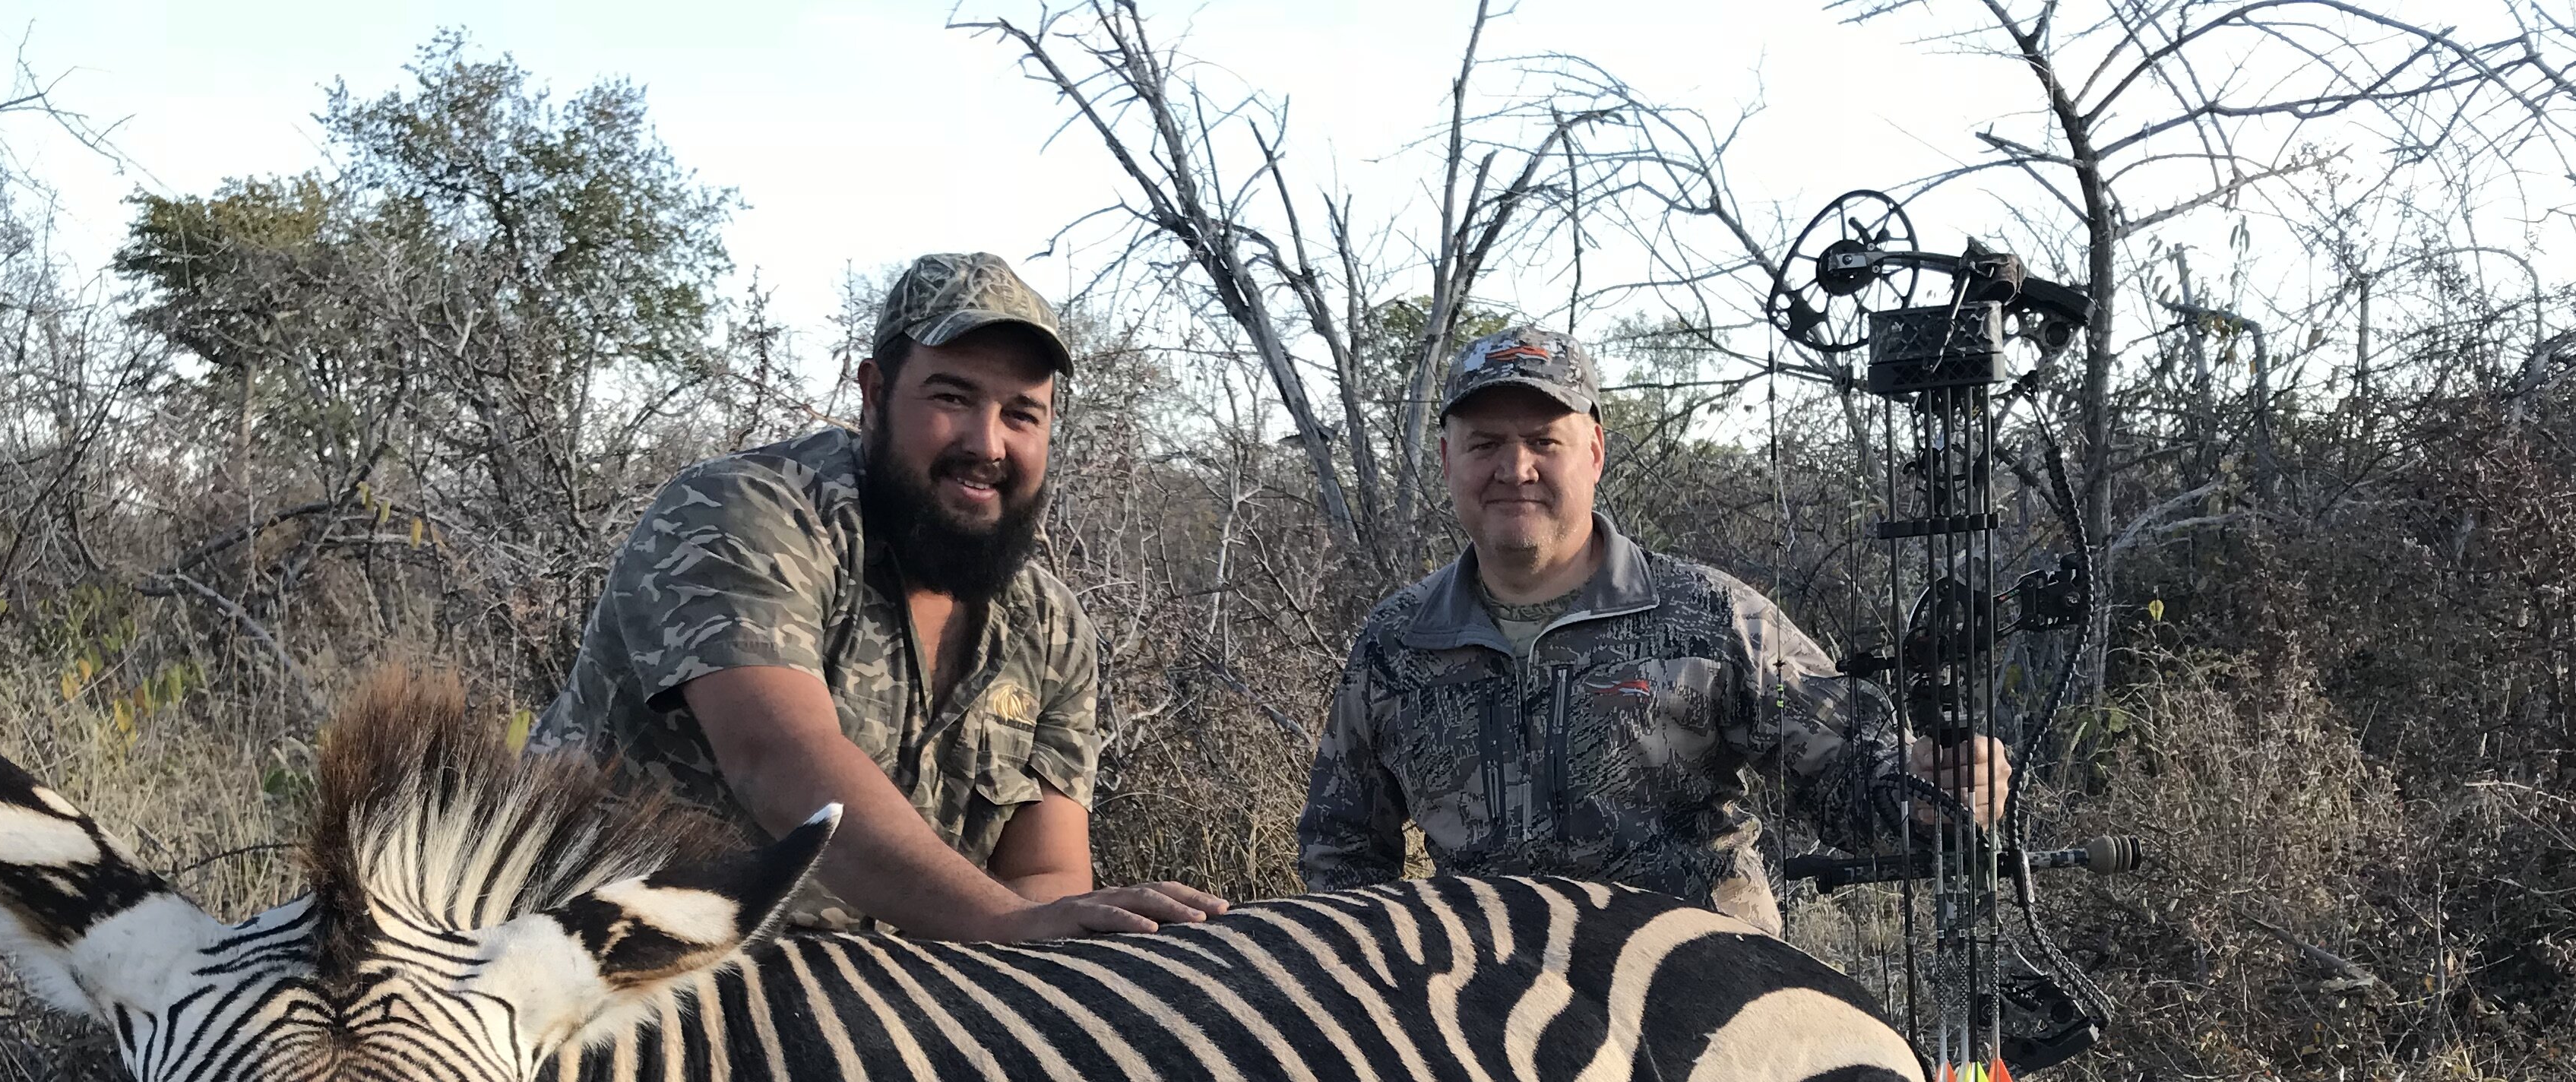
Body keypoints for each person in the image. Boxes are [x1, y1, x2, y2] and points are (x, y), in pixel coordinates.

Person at [536, 252, 1226, 940]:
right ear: (873, 394)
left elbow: (1046, 876)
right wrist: (1005, 922)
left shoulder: (1052, 628)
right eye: (952, 398)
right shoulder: (742, 512)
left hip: (866, 1009)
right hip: (594, 973)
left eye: (1022, 414)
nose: (987, 443)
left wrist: (1033, 941)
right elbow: (776, 757)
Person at [1296, 324, 2002, 932]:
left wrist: (1935, 787)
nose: (1516, 469)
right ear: (1447, 459)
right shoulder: (1397, 641)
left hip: (1697, 1006)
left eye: (1545, 440)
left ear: (1595, 453)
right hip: (1492, 1024)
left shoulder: (1712, 614)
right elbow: (1343, 850)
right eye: (1485, 445)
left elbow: (1855, 779)